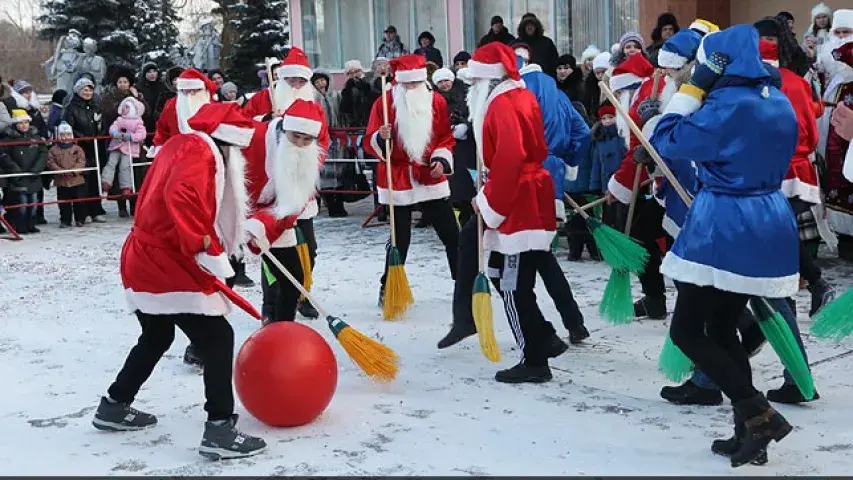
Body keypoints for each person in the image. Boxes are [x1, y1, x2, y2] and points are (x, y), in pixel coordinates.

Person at [648, 24, 799, 468]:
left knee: (688, 330)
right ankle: (747, 432)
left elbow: (667, 139)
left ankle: (759, 415)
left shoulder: (726, 106)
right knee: (722, 327)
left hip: (724, 226)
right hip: (767, 217)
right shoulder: (779, 100)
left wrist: (691, 91)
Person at [92, 102, 266, 460]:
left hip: (146, 255)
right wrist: (202, 242)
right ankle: (219, 428)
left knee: (157, 334)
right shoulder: (199, 151)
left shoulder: (184, 144)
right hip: (166, 261)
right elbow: (182, 197)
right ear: (227, 141)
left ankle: (114, 404)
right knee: (219, 337)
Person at [467, 42, 560, 383]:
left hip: (518, 201)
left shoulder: (502, 105)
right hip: (527, 194)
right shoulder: (517, 97)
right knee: (509, 277)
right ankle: (543, 337)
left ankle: (533, 359)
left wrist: (488, 202)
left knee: (512, 285)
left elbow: (509, 160)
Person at [362, 54, 458, 305]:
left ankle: (464, 284)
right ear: (399, 83)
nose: (411, 88)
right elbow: (369, 141)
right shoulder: (383, 103)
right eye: (407, 84)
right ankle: (389, 287)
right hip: (397, 176)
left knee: (451, 234)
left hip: (429, 174)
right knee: (399, 238)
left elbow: (445, 137)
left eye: (416, 84)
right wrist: (381, 138)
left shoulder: (436, 101)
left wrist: (441, 160)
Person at [756, 19, 835, 317]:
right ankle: (815, 284)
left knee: (775, 238)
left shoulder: (748, 84)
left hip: (771, 175)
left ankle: (790, 299)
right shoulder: (796, 82)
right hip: (798, 173)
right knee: (782, 234)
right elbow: (811, 133)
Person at [243, 100, 327, 324]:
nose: (300, 143)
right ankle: (197, 346)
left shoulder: (308, 158)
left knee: (293, 277)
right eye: (295, 136)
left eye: (307, 139)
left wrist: (261, 225)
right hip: (236, 209)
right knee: (226, 276)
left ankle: (283, 330)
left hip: (274, 216)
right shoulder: (256, 137)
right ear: (284, 128)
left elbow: (293, 204)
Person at [605, 51, 668, 320]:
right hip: (664, 184)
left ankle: (736, 317)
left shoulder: (647, 94)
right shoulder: (643, 94)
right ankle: (654, 299)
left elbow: (639, 149)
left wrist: (618, 187)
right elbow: (639, 149)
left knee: (680, 247)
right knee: (642, 235)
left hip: (678, 185)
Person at [818, 10, 853, 260]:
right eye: (837, 33)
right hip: (834, 142)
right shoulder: (834, 73)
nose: (841, 39)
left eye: (847, 33)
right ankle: (844, 237)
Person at [432, 68, 476, 227]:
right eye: (440, 82)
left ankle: (469, 219)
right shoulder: (433, 99)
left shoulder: (466, 95)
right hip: (446, 148)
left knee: (467, 185)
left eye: (446, 81)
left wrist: (465, 126)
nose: (444, 84)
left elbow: (475, 116)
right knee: (452, 187)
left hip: (466, 147)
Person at [62, 78, 105, 224]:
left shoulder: (96, 106)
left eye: (90, 90)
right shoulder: (71, 108)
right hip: (80, 148)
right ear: (78, 91)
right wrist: (83, 138)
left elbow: (101, 123)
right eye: (84, 90)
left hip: (95, 147)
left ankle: (96, 210)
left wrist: (100, 135)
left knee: (95, 178)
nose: (87, 93)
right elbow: (68, 127)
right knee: (82, 180)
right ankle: (83, 211)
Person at [2, 109, 47, 234]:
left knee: (33, 203)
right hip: (18, 177)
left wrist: (37, 169)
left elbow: (43, 153)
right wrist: (16, 170)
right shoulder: (8, 140)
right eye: (20, 123)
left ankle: (31, 224)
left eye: (26, 122)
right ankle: (20, 225)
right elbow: (5, 157)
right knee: (21, 204)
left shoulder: (36, 137)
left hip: (33, 176)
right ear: (15, 124)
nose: (24, 125)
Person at [588, 101, 626, 229]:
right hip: (606, 187)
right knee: (608, 220)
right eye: (604, 118)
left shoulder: (623, 136)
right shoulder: (599, 139)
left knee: (622, 221)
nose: (607, 121)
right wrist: (595, 186)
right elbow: (596, 164)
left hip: (622, 185)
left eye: (611, 117)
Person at [102, 97, 146, 197]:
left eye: (127, 107)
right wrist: (115, 133)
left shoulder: (138, 122)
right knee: (111, 163)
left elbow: (142, 134)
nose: (124, 109)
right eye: (123, 106)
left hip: (129, 149)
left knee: (125, 167)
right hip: (116, 146)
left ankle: (126, 186)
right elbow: (113, 128)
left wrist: (131, 137)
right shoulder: (120, 119)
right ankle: (106, 181)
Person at [47, 122, 87, 227]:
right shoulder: (53, 150)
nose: (66, 137)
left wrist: (74, 171)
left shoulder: (77, 149)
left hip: (76, 179)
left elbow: (81, 161)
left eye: (68, 134)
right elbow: (51, 162)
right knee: (64, 203)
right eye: (63, 135)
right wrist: (61, 171)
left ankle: (80, 219)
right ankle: (65, 220)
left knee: (79, 202)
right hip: (62, 181)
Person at [515, 14, 559, 78]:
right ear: (522, 27)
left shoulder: (547, 43)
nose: (529, 27)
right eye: (526, 25)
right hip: (521, 81)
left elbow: (554, 63)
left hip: (543, 79)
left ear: (536, 26)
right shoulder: (515, 44)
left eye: (532, 25)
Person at [339, 60, 374, 128]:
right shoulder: (347, 87)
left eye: (356, 71)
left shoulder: (369, 82)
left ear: (361, 71)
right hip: (354, 123)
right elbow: (344, 108)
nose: (354, 75)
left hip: (369, 120)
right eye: (351, 73)